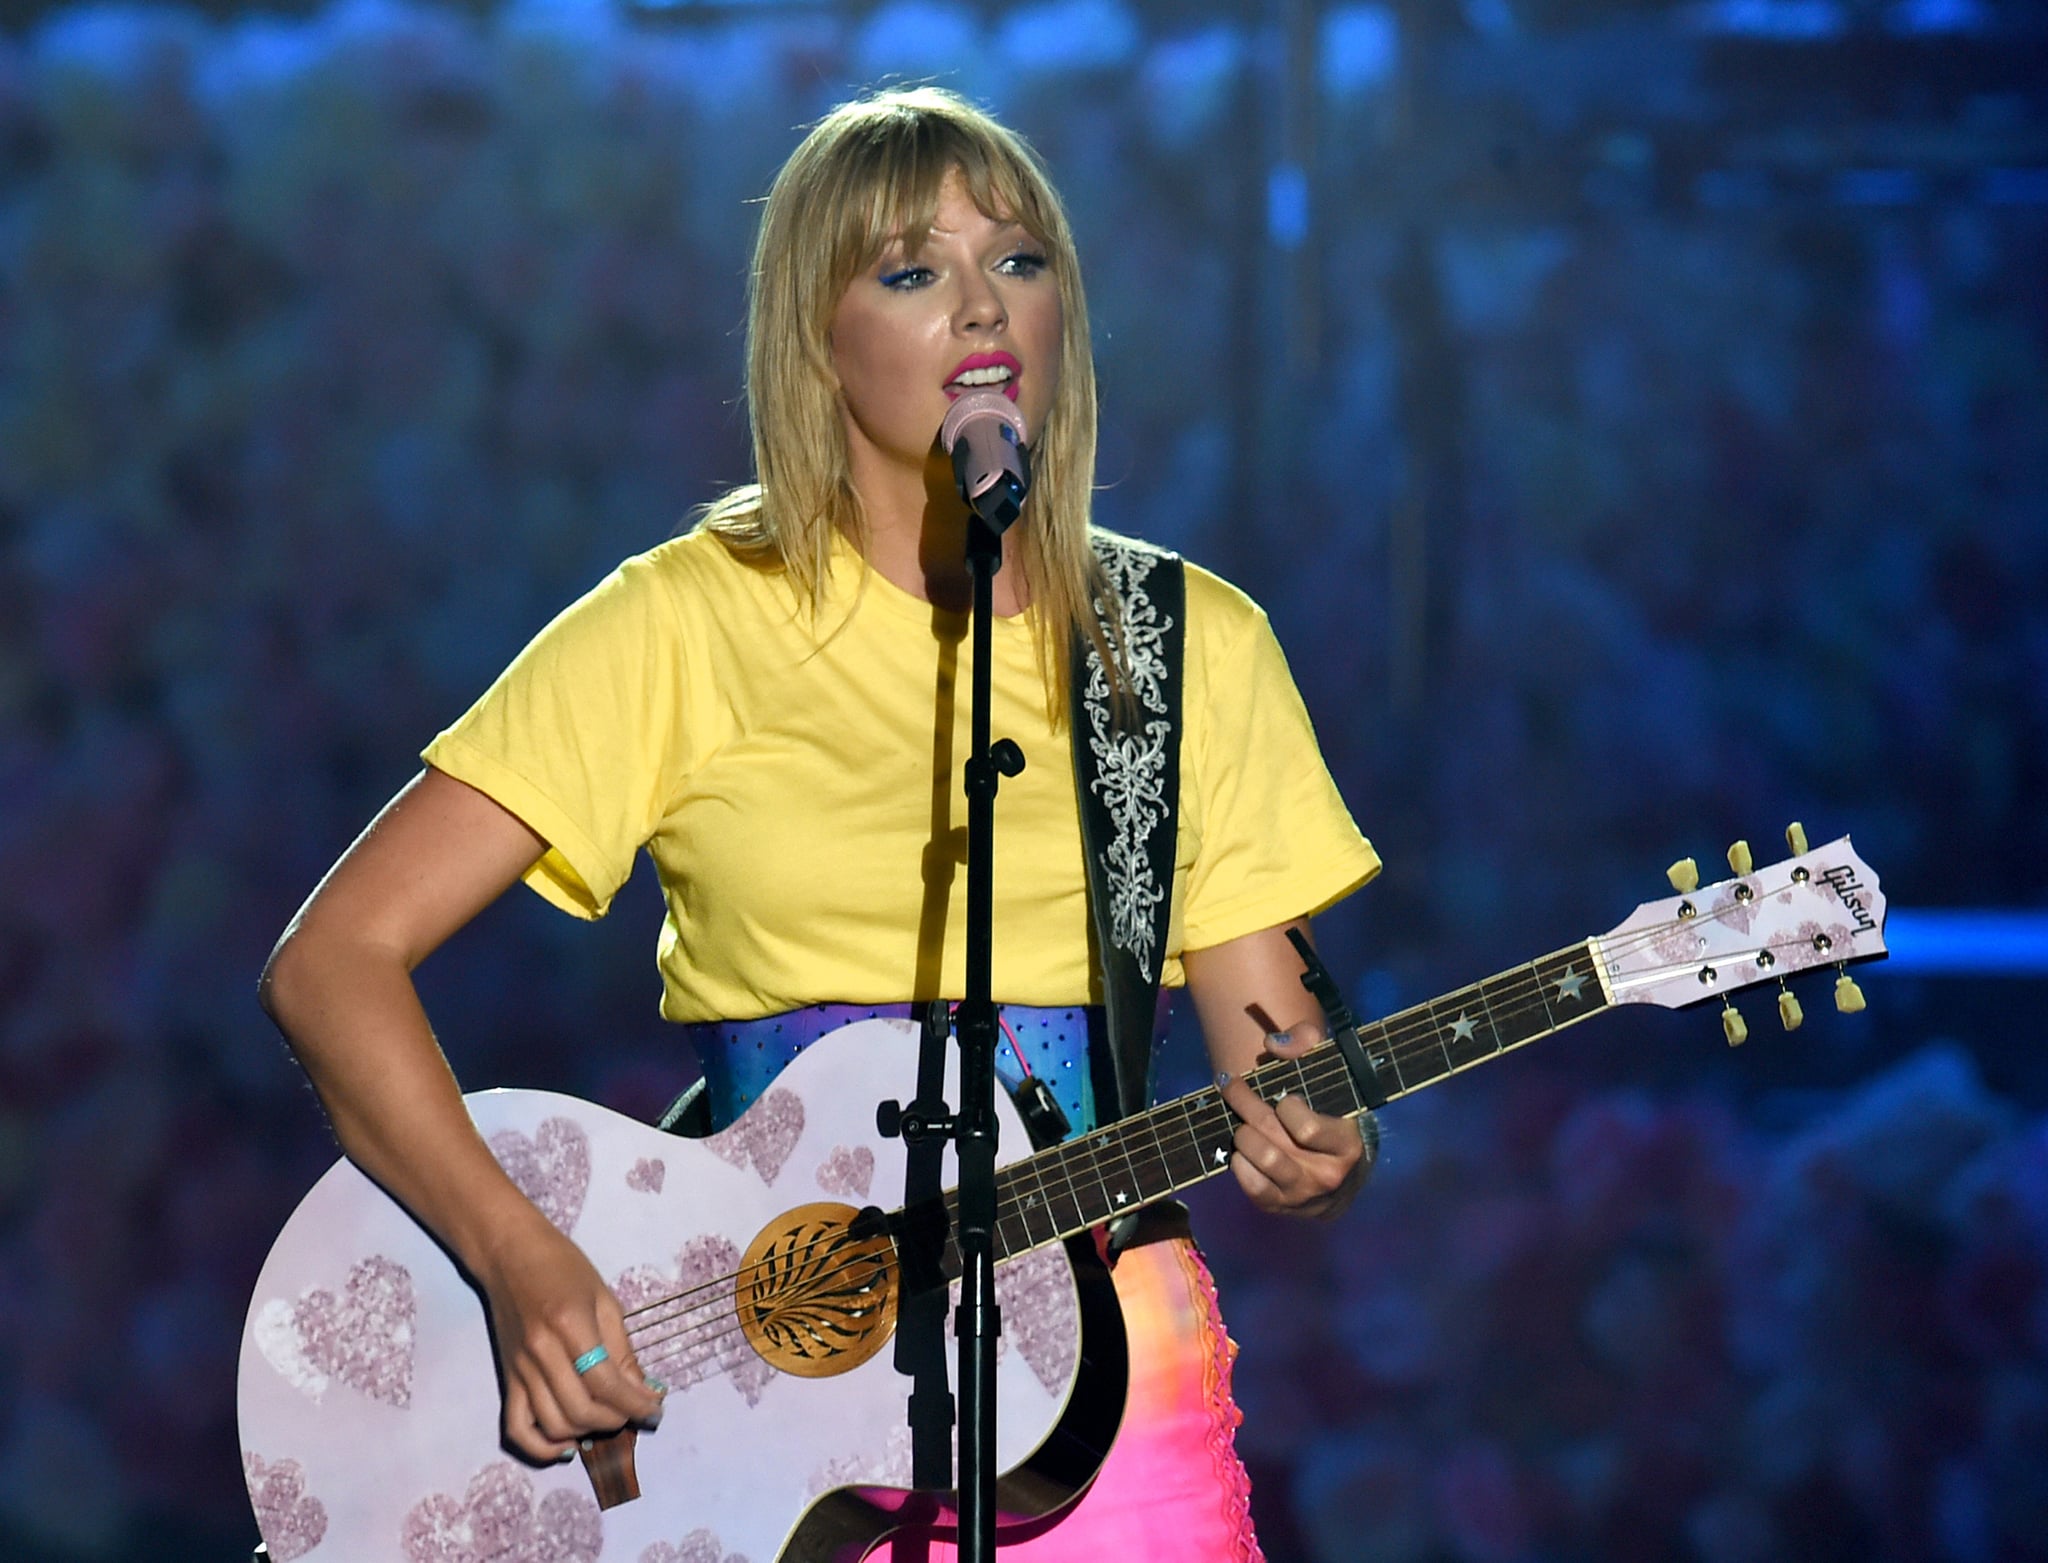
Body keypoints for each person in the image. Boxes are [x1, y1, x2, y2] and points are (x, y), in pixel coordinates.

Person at [260, 86, 1381, 1558]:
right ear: (817, 336)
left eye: (1022, 261)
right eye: (913, 271)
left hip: (1102, 1391)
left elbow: (1277, 1058)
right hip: (735, 1409)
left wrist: (1322, 1145)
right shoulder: (685, 620)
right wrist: (516, 1257)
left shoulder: (1183, 647)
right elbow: (333, 961)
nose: (983, 305)